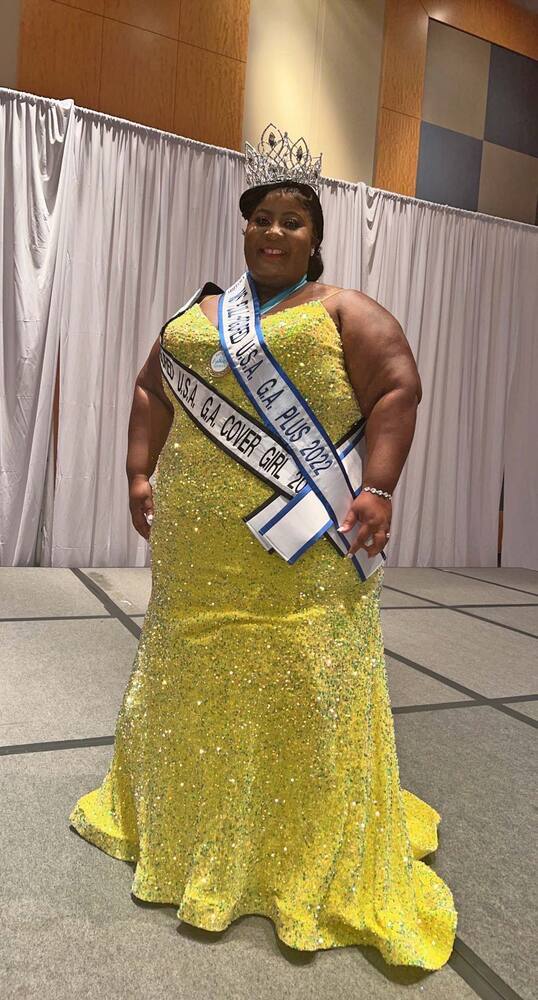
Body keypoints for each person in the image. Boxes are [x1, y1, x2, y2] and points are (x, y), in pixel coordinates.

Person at [69, 128, 457, 971]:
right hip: (198, 549)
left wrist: (378, 486)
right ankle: (188, 821)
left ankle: (297, 846)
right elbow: (151, 387)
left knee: (305, 677)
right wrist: (139, 474)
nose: (275, 234)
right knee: (193, 673)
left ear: (315, 237)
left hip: (307, 552)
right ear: (244, 228)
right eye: (262, 220)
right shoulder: (200, 314)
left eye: (293, 221)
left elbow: (398, 386)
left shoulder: (343, 310)